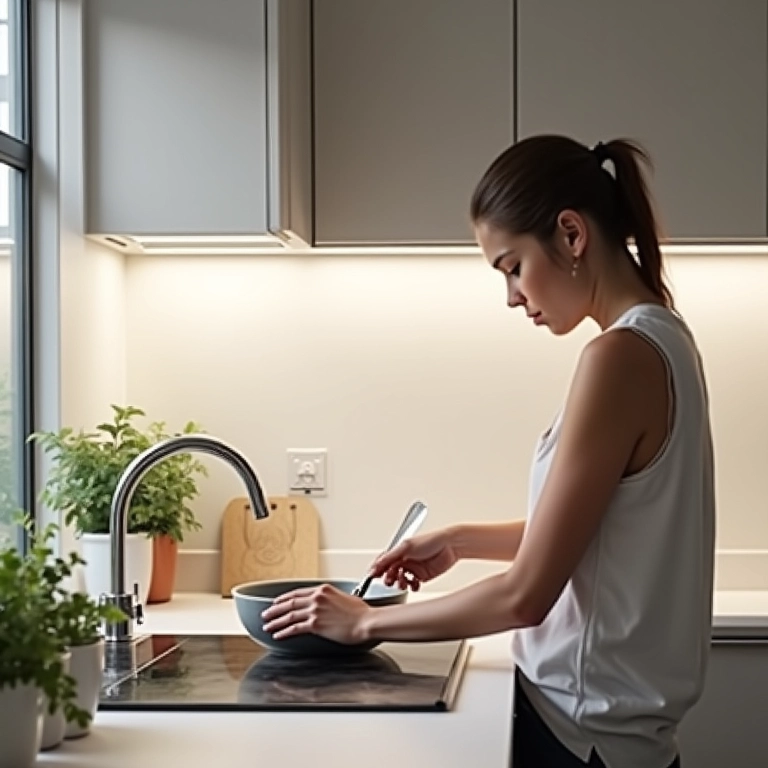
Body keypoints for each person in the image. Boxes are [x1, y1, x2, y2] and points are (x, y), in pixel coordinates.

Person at [261, 135, 716, 768]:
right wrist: (459, 540)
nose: (510, 296)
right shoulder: (666, 338)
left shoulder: (617, 358)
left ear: (571, 235)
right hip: (613, 737)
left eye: (511, 266)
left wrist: (362, 623)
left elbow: (525, 596)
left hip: (579, 736)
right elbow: (603, 532)